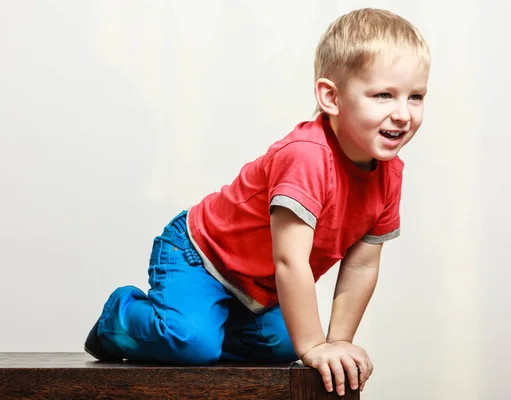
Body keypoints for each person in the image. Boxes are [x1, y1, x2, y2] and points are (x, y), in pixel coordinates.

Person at [84, 7, 430, 396]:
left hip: (259, 288)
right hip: (201, 255)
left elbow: (362, 266)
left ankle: (211, 327)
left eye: (415, 97)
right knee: (190, 342)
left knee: (283, 346)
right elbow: (290, 261)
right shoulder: (307, 156)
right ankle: (122, 316)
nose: (403, 114)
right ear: (330, 97)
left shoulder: (389, 174)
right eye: (384, 95)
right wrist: (315, 344)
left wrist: (336, 343)